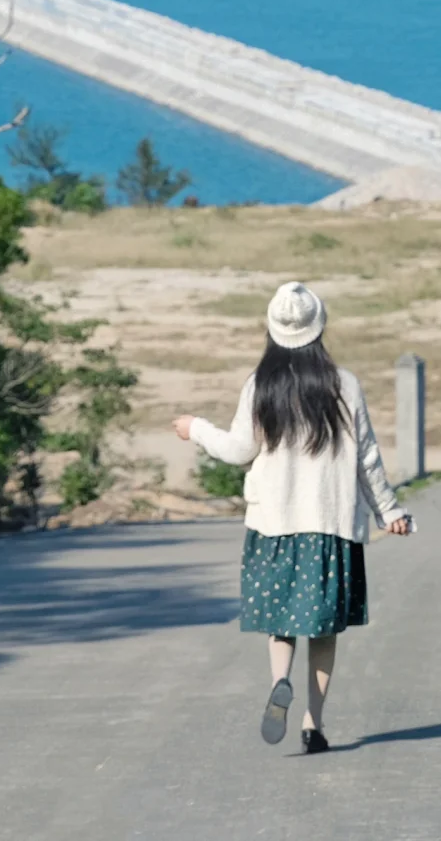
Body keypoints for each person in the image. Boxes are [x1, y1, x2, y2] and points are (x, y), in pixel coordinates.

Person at [172, 280, 413, 754]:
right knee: (323, 629)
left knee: (281, 620)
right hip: (331, 528)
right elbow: (367, 458)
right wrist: (390, 510)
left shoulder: (261, 385)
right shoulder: (344, 384)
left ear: (273, 328)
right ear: (318, 327)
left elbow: (239, 449)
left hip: (275, 527)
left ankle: (279, 679)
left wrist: (195, 428)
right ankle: (313, 723)